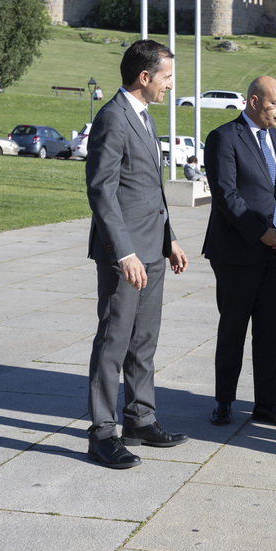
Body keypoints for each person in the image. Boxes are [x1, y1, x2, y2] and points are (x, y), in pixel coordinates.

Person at [85, 39, 190, 470]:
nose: (171, 85)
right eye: (166, 77)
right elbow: (102, 191)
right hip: (124, 254)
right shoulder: (113, 117)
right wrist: (123, 251)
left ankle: (140, 419)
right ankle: (102, 433)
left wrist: (170, 240)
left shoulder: (143, 117)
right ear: (144, 77)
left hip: (152, 249)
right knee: (114, 342)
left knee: (143, 343)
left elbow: (148, 189)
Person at [202, 76, 276, 428]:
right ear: (254, 101)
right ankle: (224, 401)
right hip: (237, 252)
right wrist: (261, 233)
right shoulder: (224, 138)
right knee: (233, 329)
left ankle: (267, 404)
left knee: (272, 332)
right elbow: (226, 195)